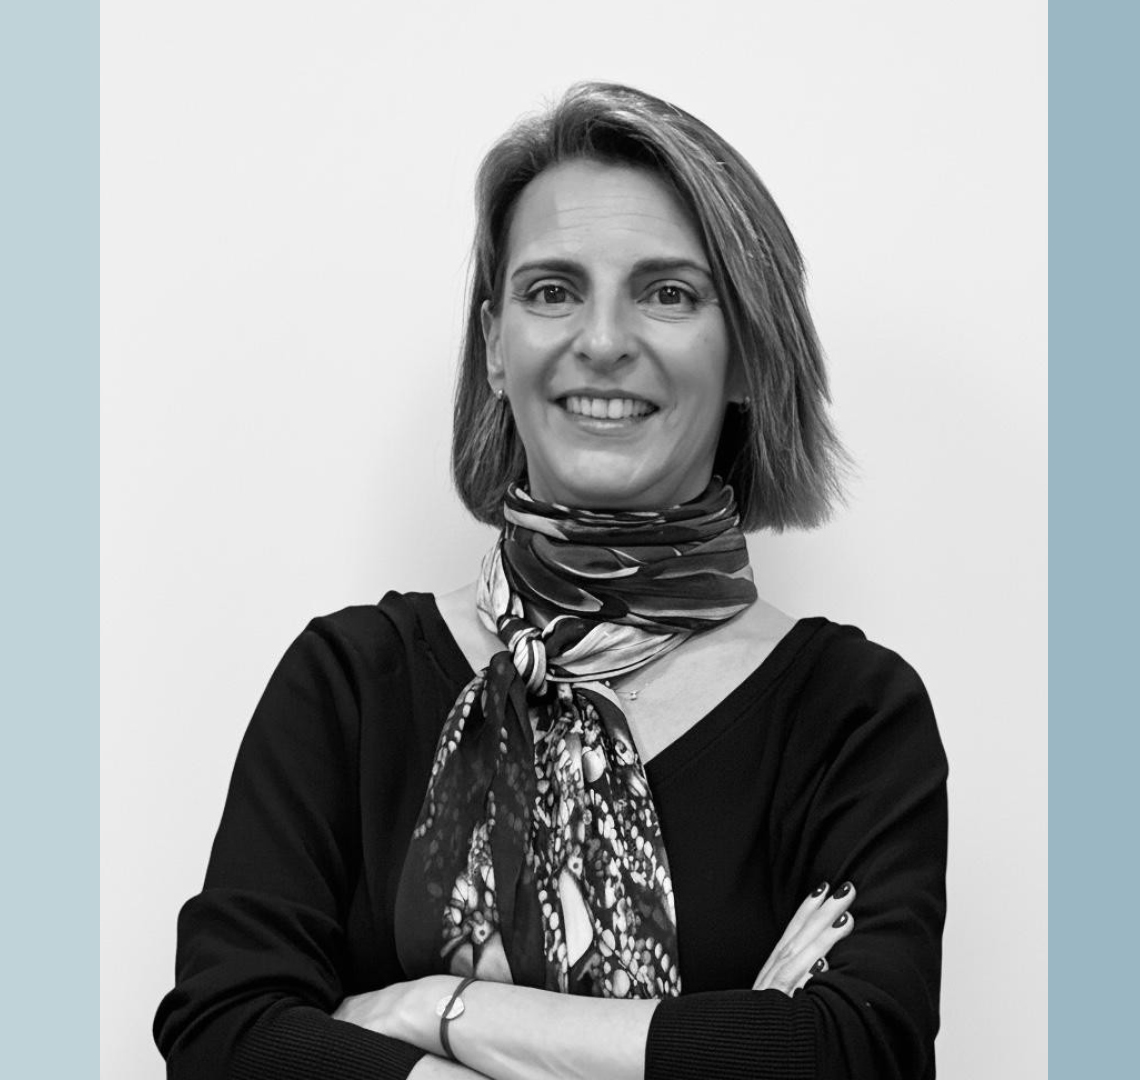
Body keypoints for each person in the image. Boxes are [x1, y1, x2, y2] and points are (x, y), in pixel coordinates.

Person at [154, 82, 948, 1080]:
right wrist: (724, 1040)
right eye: (552, 291)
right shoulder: (350, 684)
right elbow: (225, 1038)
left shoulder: (850, 714)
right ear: (496, 346)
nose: (603, 340)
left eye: (669, 292)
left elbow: (856, 1055)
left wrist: (436, 1009)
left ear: (749, 352)